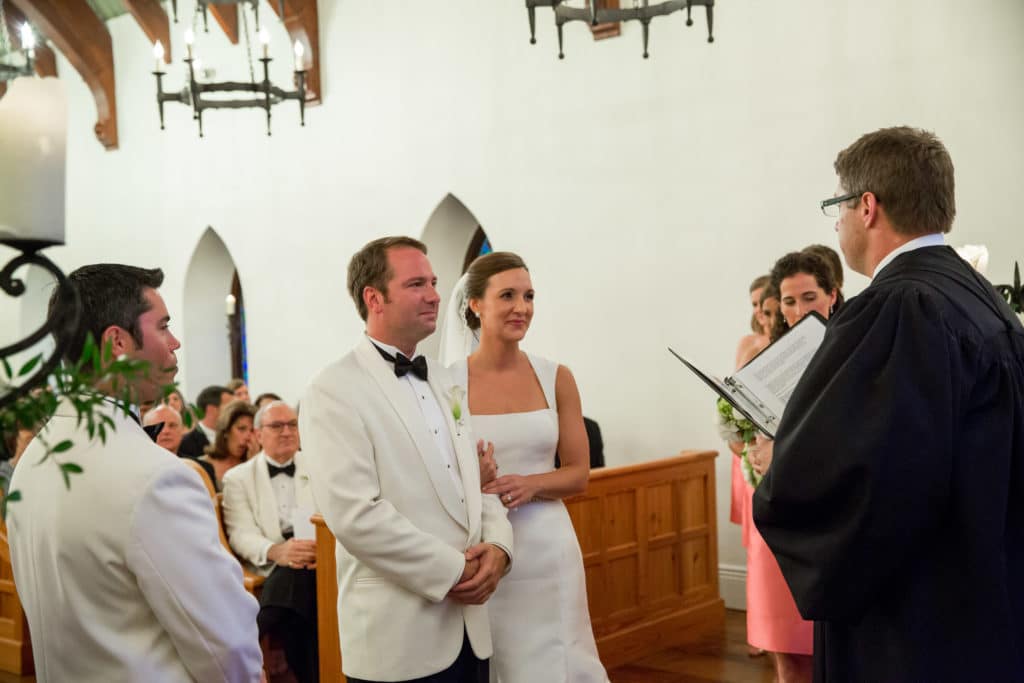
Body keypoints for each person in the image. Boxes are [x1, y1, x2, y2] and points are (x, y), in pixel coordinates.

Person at [752, 126, 1024, 681]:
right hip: (987, 592)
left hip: (915, 618)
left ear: (868, 207)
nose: (837, 223)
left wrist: (781, 463)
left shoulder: (900, 307)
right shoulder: (981, 298)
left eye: (839, 206)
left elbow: (866, 477)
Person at [6, 264, 262, 681]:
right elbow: (225, 645)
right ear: (117, 342)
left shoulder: (35, 455)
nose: (175, 342)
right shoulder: (156, 476)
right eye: (163, 326)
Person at [299, 236, 513, 683]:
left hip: (472, 631)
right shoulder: (333, 389)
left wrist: (498, 545)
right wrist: (455, 570)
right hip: (398, 635)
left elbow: (476, 479)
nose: (435, 294)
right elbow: (355, 515)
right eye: (417, 283)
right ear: (374, 298)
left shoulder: (445, 379)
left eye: (434, 282)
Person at [447, 251, 608, 683]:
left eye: (529, 296)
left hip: (548, 546)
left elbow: (579, 473)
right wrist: (474, 478)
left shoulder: (556, 377)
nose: (522, 307)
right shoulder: (447, 384)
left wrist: (531, 483)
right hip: (482, 546)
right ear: (475, 304)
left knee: (561, 658)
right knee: (501, 661)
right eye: (508, 295)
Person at [745, 250, 842, 683]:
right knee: (784, 650)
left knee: (829, 650)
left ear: (833, 295)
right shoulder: (772, 357)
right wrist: (757, 449)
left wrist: (783, 452)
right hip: (777, 507)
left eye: (809, 297)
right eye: (788, 301)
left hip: (825, 516)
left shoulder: (851, 348)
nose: (798, 311)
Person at [223, 401, 319, 683]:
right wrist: (277, 551)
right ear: (257, 434)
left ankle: (256, 627)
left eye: (292, 424)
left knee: (303, 580)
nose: (287, 432)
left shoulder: (318, 467)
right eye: (277, 426)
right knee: (298, 580)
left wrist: (320, 551)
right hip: (273, 561)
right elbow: (240, 533)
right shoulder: (237, 478)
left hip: (318, 557)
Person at [197, 399, 255, 491]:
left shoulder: (255, 465)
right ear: (226, 431)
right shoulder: (200, 465)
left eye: (252, 431)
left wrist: (254, 463)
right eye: (241, 429)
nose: (248, 437)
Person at [178, 384, 233, 457]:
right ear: (212, 409)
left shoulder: (234, 437)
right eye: (230, 406)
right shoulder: (186, 444)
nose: (234, 410)